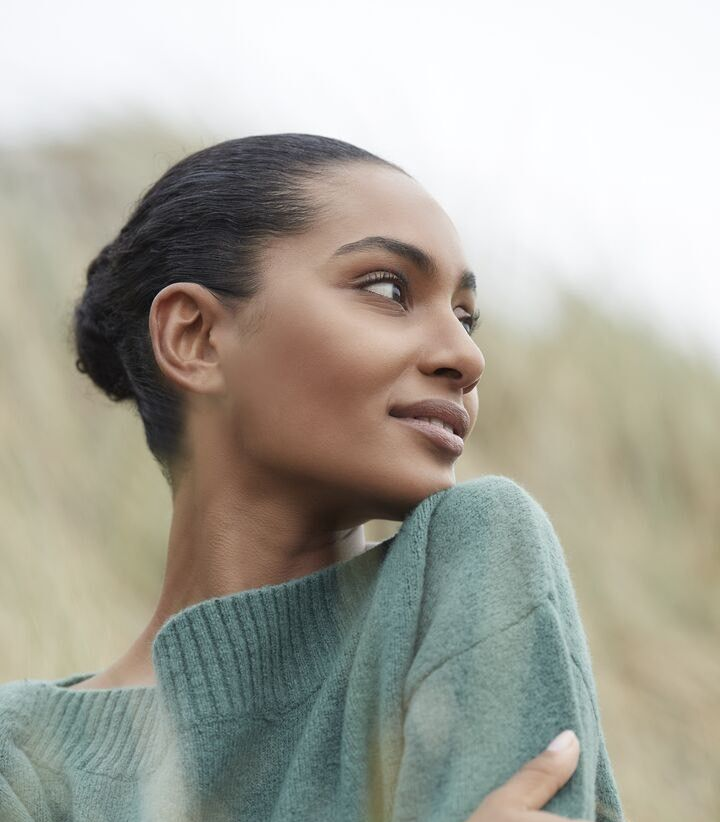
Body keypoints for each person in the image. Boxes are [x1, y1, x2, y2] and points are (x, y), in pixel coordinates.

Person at [0, 134, 625, 821]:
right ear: (196, 338)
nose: (466, 356)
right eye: (389, 289)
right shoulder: (23, 755)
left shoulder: (478, 554)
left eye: (466, 317)